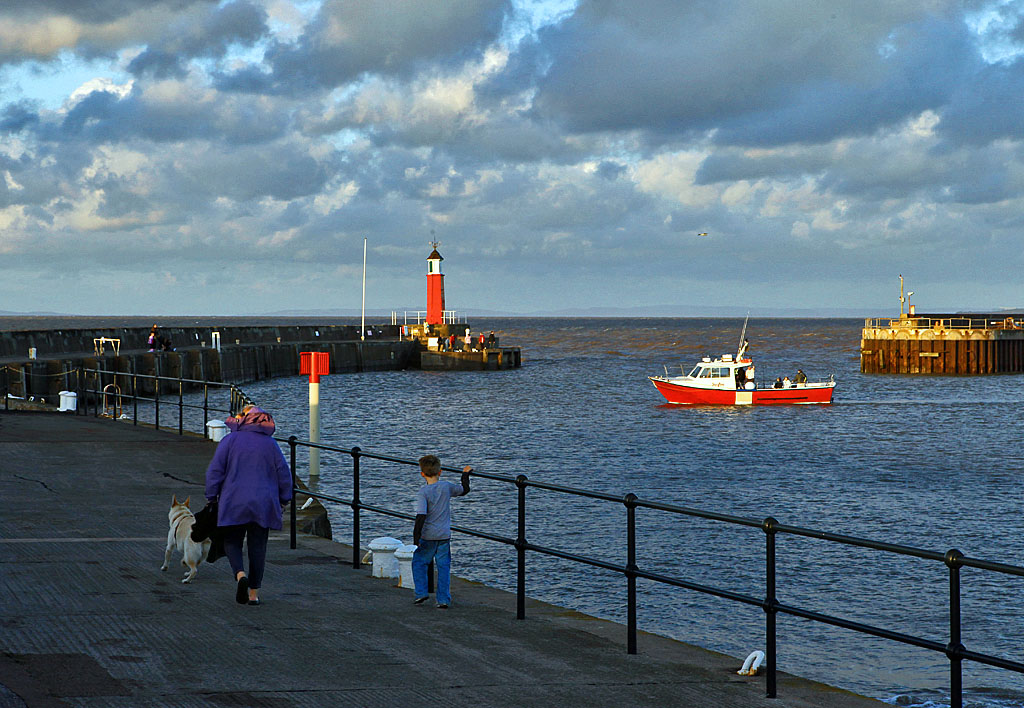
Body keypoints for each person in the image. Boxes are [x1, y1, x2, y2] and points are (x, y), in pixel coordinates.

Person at [205, 405, 292, 606]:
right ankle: (253, 594)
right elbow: (283, 474)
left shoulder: (229, 441)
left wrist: (211, 496)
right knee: (258, 546)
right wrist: (284, 498)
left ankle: (240, 574)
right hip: (263, 503)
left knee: (232, 541)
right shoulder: (270, 444)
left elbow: (215, 472)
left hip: (234, 501)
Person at [411, 455, 472, 608]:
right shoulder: (446, 486)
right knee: (444, 566)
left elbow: (421, 516)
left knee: (419, 562)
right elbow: (464, 490)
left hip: (428, 535)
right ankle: (443, 599)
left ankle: (421, 593)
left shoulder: (423, 492)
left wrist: (416, 537)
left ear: (422, 474)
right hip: (444, 534)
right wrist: (465, 474)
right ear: (441, 472)